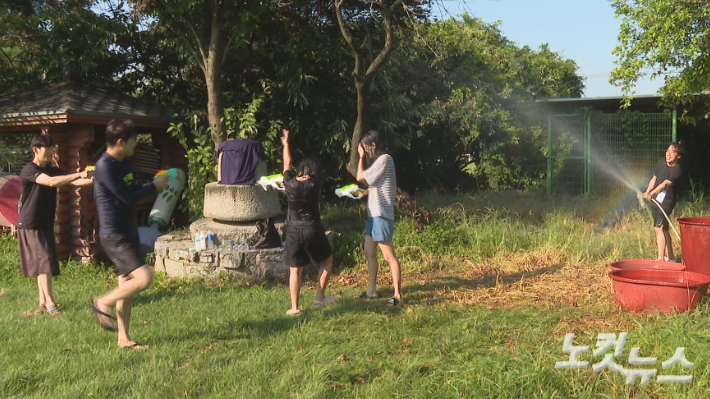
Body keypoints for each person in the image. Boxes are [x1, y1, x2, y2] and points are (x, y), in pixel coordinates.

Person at [90, 119, 168, 349]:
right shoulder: (105, 166)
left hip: (127, 229)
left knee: (126, 286)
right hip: (114, 234)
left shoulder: (123, 162)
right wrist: (154, 187)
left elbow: (131, 188)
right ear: (121, 142)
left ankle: (123, 339)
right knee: (144, 278)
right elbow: (127, 196)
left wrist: (150, 183)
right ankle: (101, 302)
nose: (137, 144)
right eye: (134, 140)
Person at [17, 135, 93, 314]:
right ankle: (50, 302)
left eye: (53, 148)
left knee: (45, 261)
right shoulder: (29, 169)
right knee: (44, 261)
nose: (52, 152)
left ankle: (42, 300)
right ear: (36, 150)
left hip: (45, 221)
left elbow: (74, 181)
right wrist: (79, 173)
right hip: (30, 222)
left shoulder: (53, 169)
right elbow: (50, 182)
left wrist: (96, 179)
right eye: (48, 148)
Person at [280, 129, 335, 315]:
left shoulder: (288, 182)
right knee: (327, 260)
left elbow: (286, 164)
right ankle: (320, 298)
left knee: (295, 269)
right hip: (312, 227)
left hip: (293, 230)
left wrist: (286, 144)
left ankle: (295, 308)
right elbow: (313, 175)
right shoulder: (316, 184)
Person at [356, 130, 402, 306]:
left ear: (373, 145)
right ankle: (371, 291)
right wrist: (364, 192)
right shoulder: (380, 162)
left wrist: (360, 158)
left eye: (366, 148)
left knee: (389, 256)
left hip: (381, 214)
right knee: (369, 252)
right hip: (373, 215)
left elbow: (360, 176)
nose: (365, 151)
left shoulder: (384, 159)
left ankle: (398, 295)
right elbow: (376, 186)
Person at [642, 141, 684, 261]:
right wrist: (647, 191)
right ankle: (671, 257)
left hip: (666, 202)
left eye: (673, 151)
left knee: (658, 228)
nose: (668, 154)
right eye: (667, 151)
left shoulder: (677, 170)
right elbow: (654, 178)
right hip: (655, 200)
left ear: (678, 156)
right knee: (664, 228)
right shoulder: (661, 164)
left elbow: (665, 184)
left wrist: (652, 193)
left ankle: (660, 259)